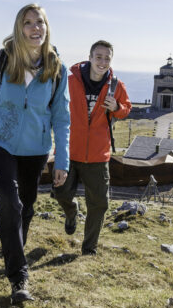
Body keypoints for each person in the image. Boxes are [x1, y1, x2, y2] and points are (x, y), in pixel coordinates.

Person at [0, 4, 70, 304]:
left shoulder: (56, 67)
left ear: (47, 28)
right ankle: (18, 277)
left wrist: (62, 160)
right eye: (28, 23)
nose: (35, 28)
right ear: (18, 28)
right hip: (0, 143)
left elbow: (62, 118)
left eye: (40, 22)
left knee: (26, 207)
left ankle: (14, 250)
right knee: (9, 202)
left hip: (36, 149)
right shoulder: (1, 61)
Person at [53, 40, 130, 255]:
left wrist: (117, 107)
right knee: (61, 193)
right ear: (90, 57)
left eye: (107, 58)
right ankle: (71, 213)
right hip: (68, 150)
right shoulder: (69, 80)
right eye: (99, 57)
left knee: (99, 204)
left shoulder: (116, 85)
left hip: (98, 155)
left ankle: (89, 249)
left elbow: (126, 109)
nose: (102, 62)